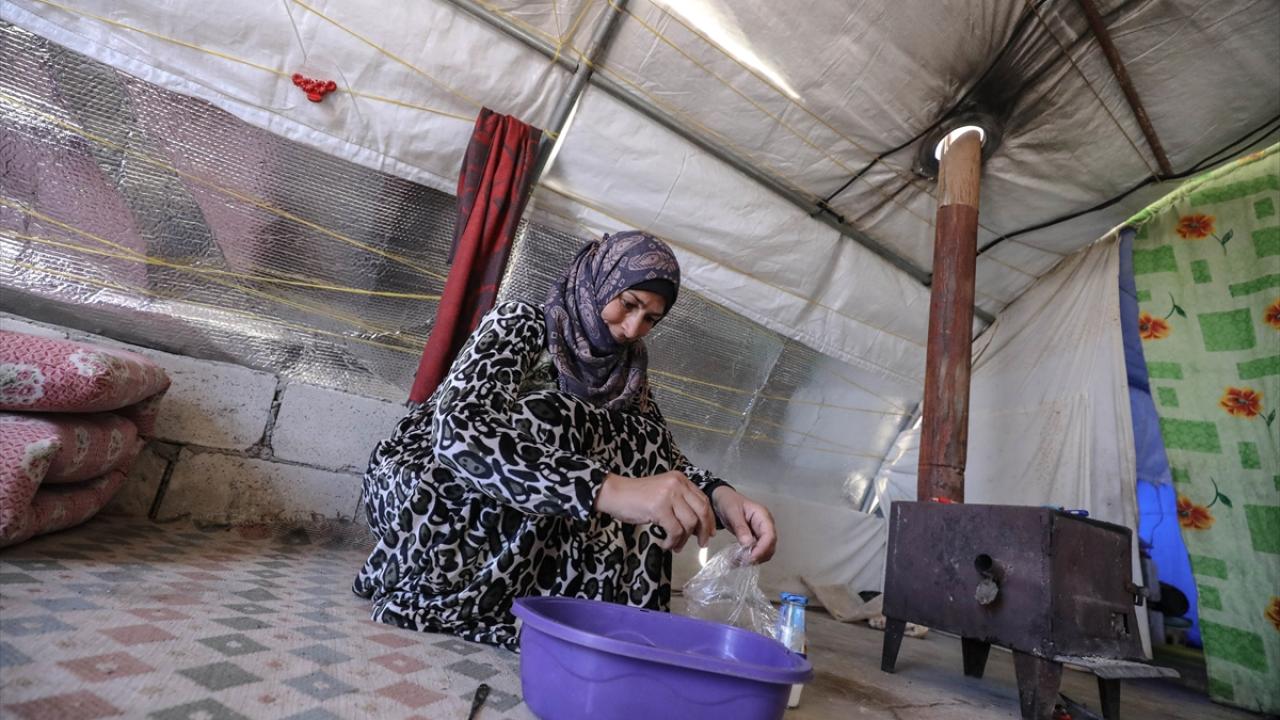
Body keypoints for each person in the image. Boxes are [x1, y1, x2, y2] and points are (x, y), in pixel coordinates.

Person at [353, 231, 777, 650]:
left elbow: (662, 460)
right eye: (628, 305)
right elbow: (460, 431)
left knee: (636, 439)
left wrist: (722, 498)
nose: (632, 328)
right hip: (431, 485)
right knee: (555, 419)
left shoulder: (626, 374)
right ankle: (462, 598)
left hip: (517, 508)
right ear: (598, 281)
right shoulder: (520, 324)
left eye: (650, 319)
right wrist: (605, 488)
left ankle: (570, 606)